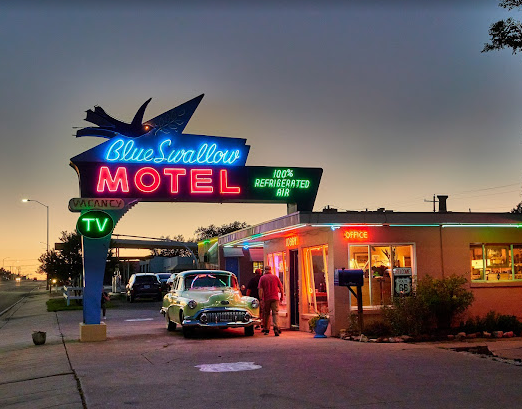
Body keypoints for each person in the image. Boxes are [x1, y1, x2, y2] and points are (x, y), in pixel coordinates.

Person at [258, 265, 284, 336]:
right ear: (270, 270)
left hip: (266, 298)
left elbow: (260, 289)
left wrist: (261, 299)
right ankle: (276, 327)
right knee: (275, 313)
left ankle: (267, 329)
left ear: (265, 270)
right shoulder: (275, 277)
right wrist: (282, 296)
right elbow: (281, 287)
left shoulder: (262, 278)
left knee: (266, 313)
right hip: (275, 298)